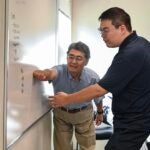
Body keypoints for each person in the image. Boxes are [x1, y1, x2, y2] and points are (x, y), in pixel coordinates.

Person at [50, 7, 150, 150]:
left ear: (122, 28)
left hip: (134, 122)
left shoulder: (131, 53)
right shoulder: (140, 43)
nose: (102, 35)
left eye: (105, 30)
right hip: (133, 120)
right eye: (100, 30)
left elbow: (99, 90)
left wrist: (66, 99)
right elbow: (51, 73)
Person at [33, 41, 104, 150]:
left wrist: (100, 112)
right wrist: (44, 73)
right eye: (70, 57)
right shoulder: (60, 70)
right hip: (62, 115)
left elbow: (98, 98)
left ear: (86, 61)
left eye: (78, 58)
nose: (73, 61)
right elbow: (51, 72)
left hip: (84, 114)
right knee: (62, 148)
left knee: (88, 147)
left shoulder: (92, 77)